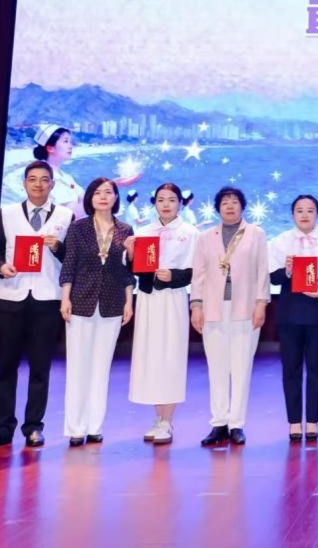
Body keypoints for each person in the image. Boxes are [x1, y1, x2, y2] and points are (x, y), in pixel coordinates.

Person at [0, 161, 73, 451]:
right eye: (32, 179)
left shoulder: (66, 215)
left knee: (40, 368)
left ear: (52, 184)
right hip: (10, 297)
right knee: (6, 367)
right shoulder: (6, 213)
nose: (38, 185)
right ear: (24, 183)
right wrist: (0, 266)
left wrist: (58, 247)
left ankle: (33, 427)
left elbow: (72, 259)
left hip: (47, 299)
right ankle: (2, 428)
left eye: (44, 180)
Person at [191, 186, 270, 446]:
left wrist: (261, 303)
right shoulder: (206, 237)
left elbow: (262, 271)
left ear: (242, 207)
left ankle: (236, 424)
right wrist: (196, 305)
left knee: (241, 367)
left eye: (235, 201)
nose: (230, 206)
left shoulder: (256, 234)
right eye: (225, 202)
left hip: (245, 309)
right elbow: (199, 274)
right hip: (213, 308)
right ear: (218, 208)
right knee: (217, 367)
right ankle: (219, 423)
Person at [59, 177, 134, 445]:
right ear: (90, 197)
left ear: (116, 197)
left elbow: (128, 271)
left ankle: (94, 426)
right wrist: (65, 298)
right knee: (78, 366)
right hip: (80, 301)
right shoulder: (78, 228)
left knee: (101, 367)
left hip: (113, 303)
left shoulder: (125, 229)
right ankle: (75, 428)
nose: (103, 196)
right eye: (98, 192)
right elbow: (69, 264)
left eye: (108, 192)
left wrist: (129, 302)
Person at [126, 182, 196, 445]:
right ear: (154, 203)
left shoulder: (190, 233)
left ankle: (168, 420)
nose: (166, 205)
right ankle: (158, 418)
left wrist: (174, 276)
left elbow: (197, 272)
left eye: (171, 200)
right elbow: (135, 269)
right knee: (151, 356)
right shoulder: (144, 232)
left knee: (171, 356)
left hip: (173, 300)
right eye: (161, 200)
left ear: (180, 203)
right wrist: (130, 253)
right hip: (148, 299)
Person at [268, 195, 318, 443]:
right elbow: (273, 278)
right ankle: (293, 421)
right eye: (299, 210)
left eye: (310, 210)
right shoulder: (280, 241)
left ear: (317, 214)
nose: (305, 215)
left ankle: (312, 420)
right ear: (293, 215)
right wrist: (287, 270)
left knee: (316, 369)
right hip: (289, 315)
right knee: (291, 369)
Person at [30, 124, 143, 219]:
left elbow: (85, 197)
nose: (71, 146)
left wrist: (112, 183)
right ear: (50, 148)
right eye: (65, 141)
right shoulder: (44, 178)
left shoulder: (66, 177)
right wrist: (109, 186)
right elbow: (71, 214)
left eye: (70, 142)